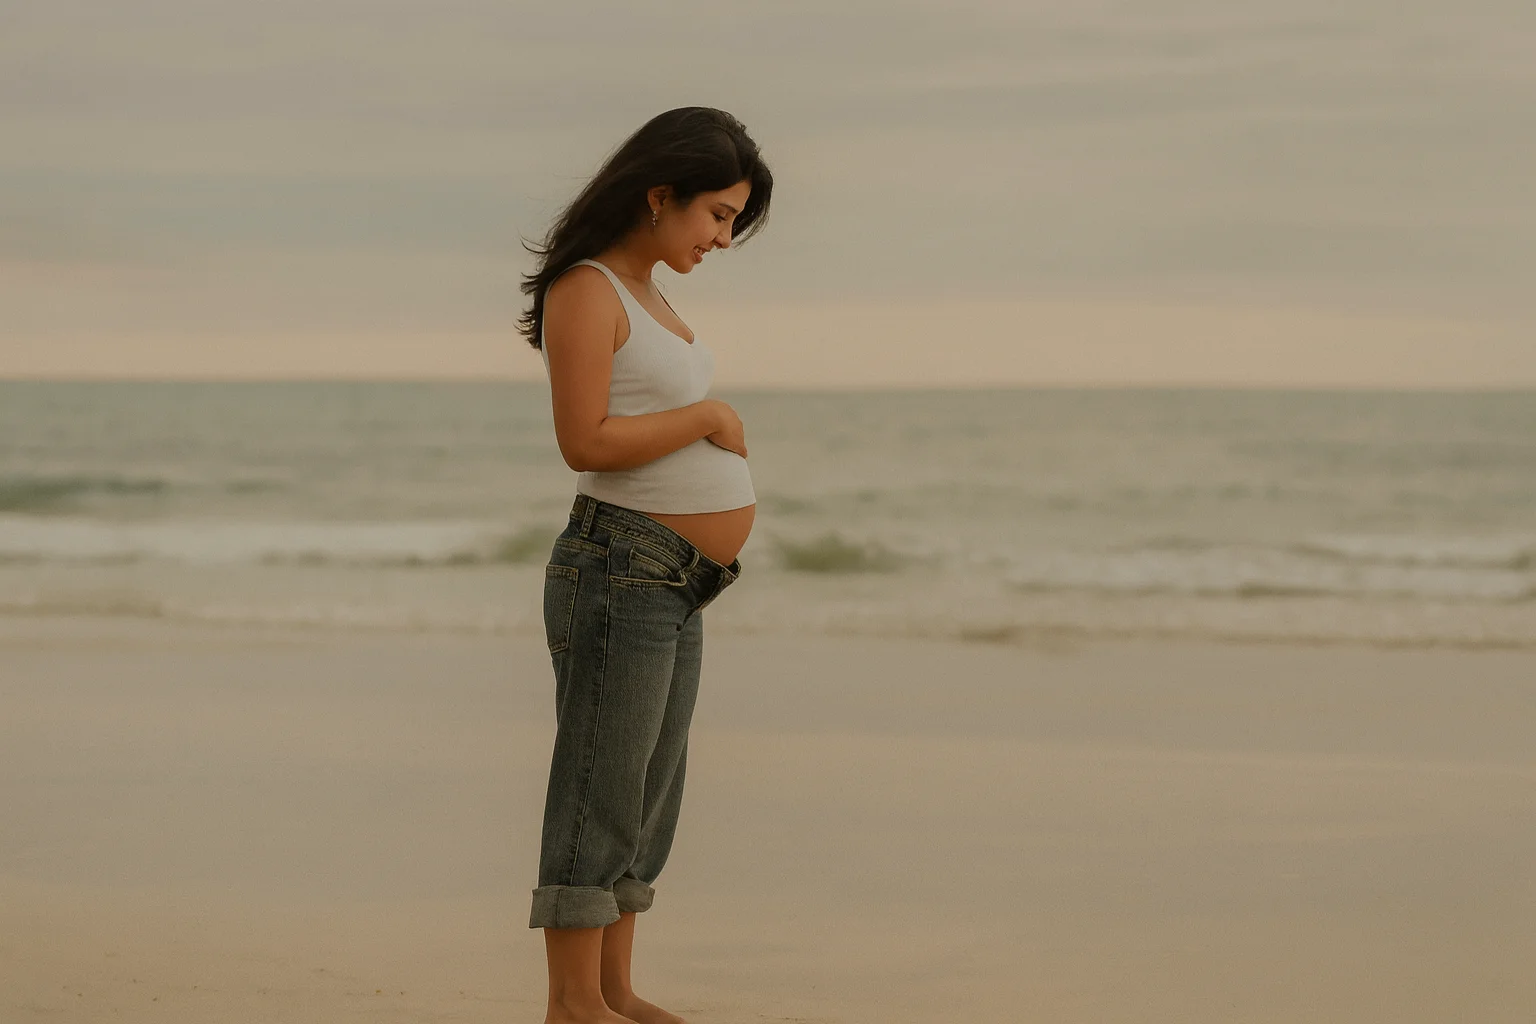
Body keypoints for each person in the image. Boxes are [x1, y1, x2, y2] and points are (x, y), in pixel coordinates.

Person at [517, 106, 774, 1024]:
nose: (722, 237)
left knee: (648, 793)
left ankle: (615, 992)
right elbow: (584, 438)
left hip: (676, 581)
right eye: (716, 213)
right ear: (658, 194)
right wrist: (708, 419)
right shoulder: (586, 289)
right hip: (619, 565)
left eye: (734, 220)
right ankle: (572, 1004)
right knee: (599, 785)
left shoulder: (654, 295)